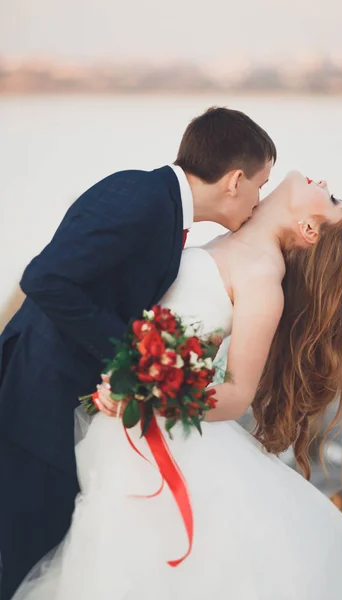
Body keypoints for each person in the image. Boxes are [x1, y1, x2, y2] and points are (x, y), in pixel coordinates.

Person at [12, 172, 342, 599]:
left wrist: (154, 389)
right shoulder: (225, 237)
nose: (323, 182)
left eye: (333, 197)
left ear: (309, 228)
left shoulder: (262, 278)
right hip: (118, 420)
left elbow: (236, 394)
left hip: (161, 427)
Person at [0, 107, 276, 600]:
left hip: (64, 396)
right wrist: (134, 355)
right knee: (24, 555)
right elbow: (45, 279)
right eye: (260, 185)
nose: (260, 202)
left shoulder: (160, 204)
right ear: (235, 180)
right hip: (36, 392)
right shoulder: (141, 196)